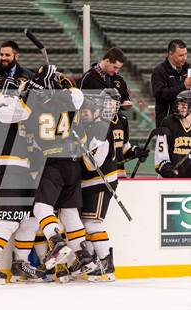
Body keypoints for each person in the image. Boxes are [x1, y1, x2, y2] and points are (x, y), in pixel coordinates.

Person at [24, 65, 97, 277]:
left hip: (52, 161)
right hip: (72, 163)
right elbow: (76, 93)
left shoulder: (32, 104)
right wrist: (58, 81)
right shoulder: (69, 100)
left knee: (41, 208)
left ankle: (56, 243)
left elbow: (11, 112)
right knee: (69, 212)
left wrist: (31, 85)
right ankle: (84, 255)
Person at [0, 77, 44, 284]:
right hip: (7, 171)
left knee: (30, 222)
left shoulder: (10, 105)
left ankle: (20, 264)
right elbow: (19, 111)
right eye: (12, 90)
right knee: (8, 221)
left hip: (22, 172)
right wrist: (24, 93)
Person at [77, 48, 148, 177]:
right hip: (94, 131)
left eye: (119, 68)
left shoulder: (119, 80)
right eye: (115, 67)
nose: (116, 71)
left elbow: (124, 98)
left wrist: (136, 152)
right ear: (107, 61)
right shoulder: (88, 78)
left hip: (117, 169)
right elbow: (80, 103)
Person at [79, 91, 120, 282]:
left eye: (89, 110)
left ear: (96, 112)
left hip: (100, 182)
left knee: (92, 223)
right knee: (84, 224)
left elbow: (92, 164)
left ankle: (106, 262)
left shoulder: (101, 128)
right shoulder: (87, 128)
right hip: (88, 183)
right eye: (83, 110)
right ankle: (95, 261)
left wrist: (79, 151)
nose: (85, 113)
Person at [151, 40, 191, 127]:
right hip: (166, 124)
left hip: (187, 123)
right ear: (171, 54)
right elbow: (161, 95)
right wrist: (184, 86)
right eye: (181, 55)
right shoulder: (159, 71)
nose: (184, 58)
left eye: (185, 54)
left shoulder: (189, 68)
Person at [155, 90, 191, 178]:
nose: (179, 108)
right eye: (179, 104)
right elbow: (160, 155)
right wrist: (166, 168)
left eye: (184, 105)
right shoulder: (168, 122)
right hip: (173, 177)